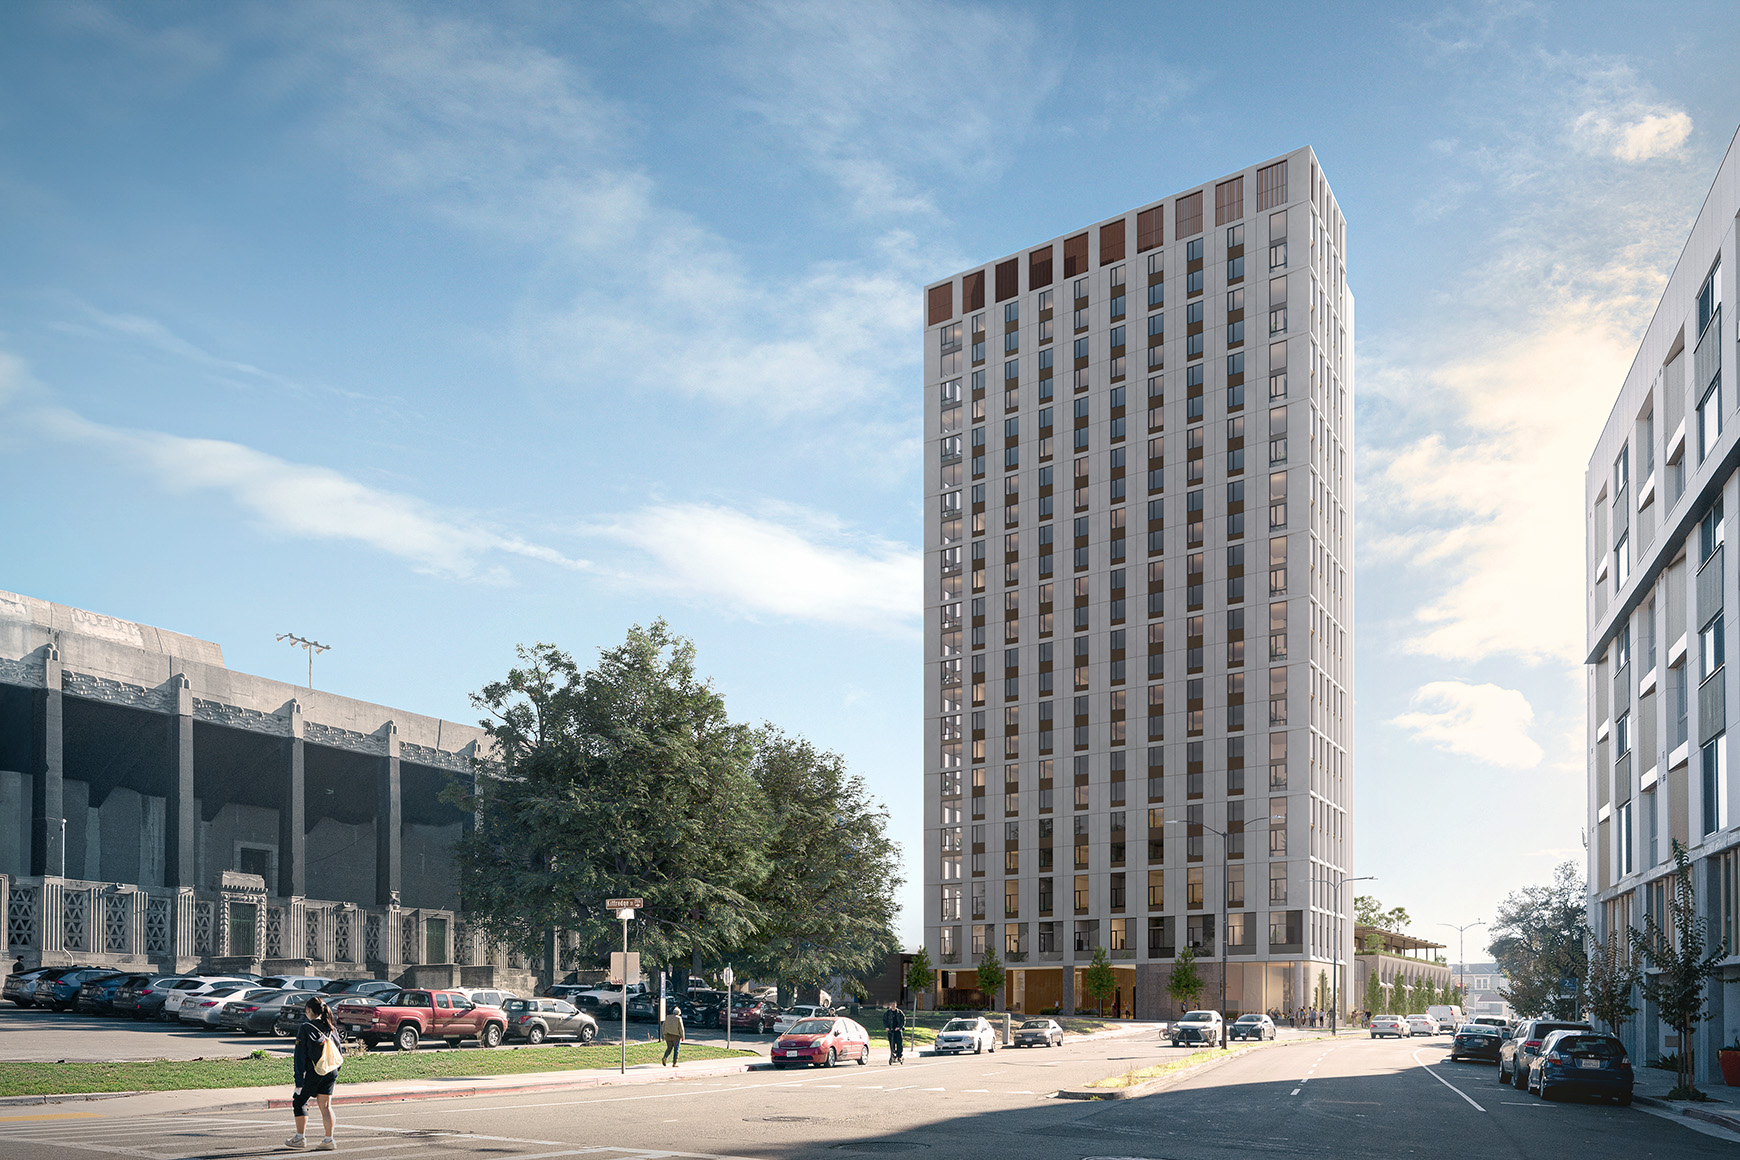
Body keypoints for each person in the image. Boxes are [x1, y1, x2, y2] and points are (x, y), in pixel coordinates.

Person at [286, 996, 339, 1151]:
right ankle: (329, 1140)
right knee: (326, 1106)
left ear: (309, 1011)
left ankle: (299, 1138)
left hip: (313, 1072)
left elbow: (300, 1056)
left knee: (299, 1102)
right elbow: (338, 1051)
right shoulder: (330, 1027)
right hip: (330, 1071)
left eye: (306, 1011)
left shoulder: (306, 1028)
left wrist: (299, 1082)